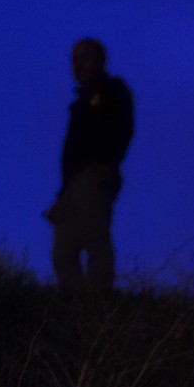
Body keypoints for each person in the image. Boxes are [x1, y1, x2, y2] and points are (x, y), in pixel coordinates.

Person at [45, 39, 135, 291]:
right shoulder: (80, 104)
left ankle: (99, 305)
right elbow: (73, 151)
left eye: (85, 57)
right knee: (62, 252)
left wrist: (107, 165)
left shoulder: (111, 89)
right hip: (73, 184)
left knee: (96, 239)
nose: (78, 64)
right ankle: (75, 307)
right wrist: (61, 195)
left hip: (95, 174)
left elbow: (123, 129)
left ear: (100, 59)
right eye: (74, 58)